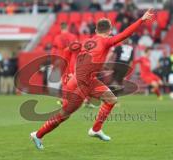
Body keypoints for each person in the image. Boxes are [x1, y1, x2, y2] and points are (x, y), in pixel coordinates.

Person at [30, 9, 154, 150]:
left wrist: (67, 74)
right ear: (110, 30)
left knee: (111, 99)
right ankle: (38, 135)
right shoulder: (106, 41)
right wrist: (142, 20)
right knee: (64, 115)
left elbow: (67, 51)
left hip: (88, 80)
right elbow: (126, 34)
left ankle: (95, 130)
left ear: (95, 30)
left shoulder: (87, 41)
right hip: (80, 84)